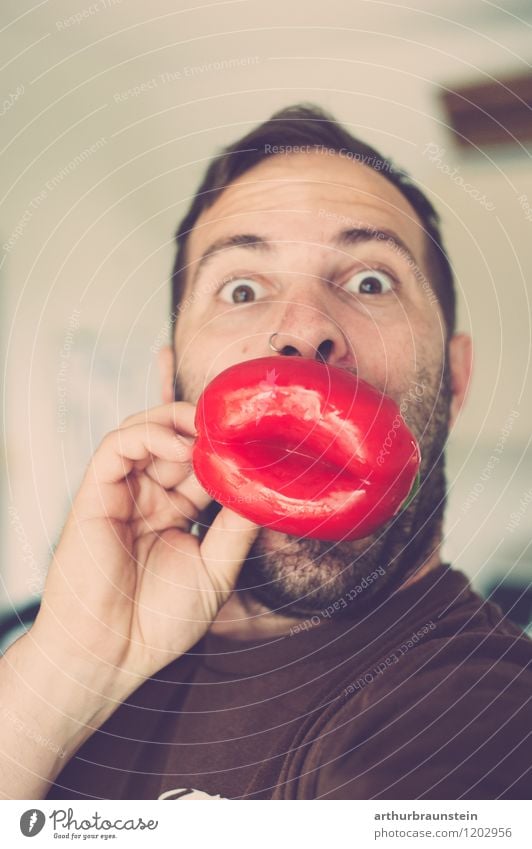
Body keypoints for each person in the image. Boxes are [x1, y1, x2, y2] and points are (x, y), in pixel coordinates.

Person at [1, 104, 530, 801]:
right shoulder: (42, 646)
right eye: (242, 288)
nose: (304, 329)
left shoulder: (486, 711)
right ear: (172, 382)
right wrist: (75, 657)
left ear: (454, 379)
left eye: (371, 280)